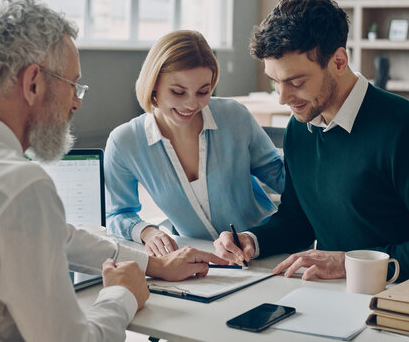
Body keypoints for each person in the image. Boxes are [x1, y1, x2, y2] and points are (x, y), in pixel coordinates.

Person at [0, 0, 227, 342]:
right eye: (72, 85)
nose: (76, 102)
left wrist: (153, 265)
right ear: (33, 82)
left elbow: (59, 236)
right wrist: (123, 295)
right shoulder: (17, 186)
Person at [214, 0, 409, 282]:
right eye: (275, 81)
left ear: (339, 61)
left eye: (296, 82)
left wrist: (349, 263)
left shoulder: (405, 130)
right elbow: (297, 220)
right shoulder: (300, 129)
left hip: (400, 301)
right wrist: (252, 240)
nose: (283, 98)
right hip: (330, 295)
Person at [104, 30, 285, 256]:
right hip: (203, 263)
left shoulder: (234, 116)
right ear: (153, 85)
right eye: (178, 92)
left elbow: (280, 176)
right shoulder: (124, 142)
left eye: (203, 91)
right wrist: (147, 232)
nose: (191, 104)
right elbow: (117, 213)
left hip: (263, 248)